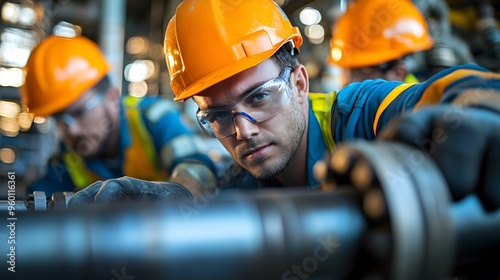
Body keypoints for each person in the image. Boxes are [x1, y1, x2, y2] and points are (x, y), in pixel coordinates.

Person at [69, 0, 500, 212]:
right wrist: (182, 197)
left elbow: (449, 89)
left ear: (298, 82)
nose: (244, 131)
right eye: (217, 116)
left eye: (258, 97)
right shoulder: (240, 183)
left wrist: (476, 110)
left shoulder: (356, 114)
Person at [21, 35, 218, 197]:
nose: (71, 129)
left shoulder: (155, 117)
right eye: (59, 119)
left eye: (79, 112)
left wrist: (171, 194)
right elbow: (34, 208)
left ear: (112, 97)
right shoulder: (68, 160)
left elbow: (198, 169)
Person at [328, 0, 434, 84]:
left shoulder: (422, 107)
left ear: (399, 72)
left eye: (364, 72)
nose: (348, 82)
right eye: (349, 72)